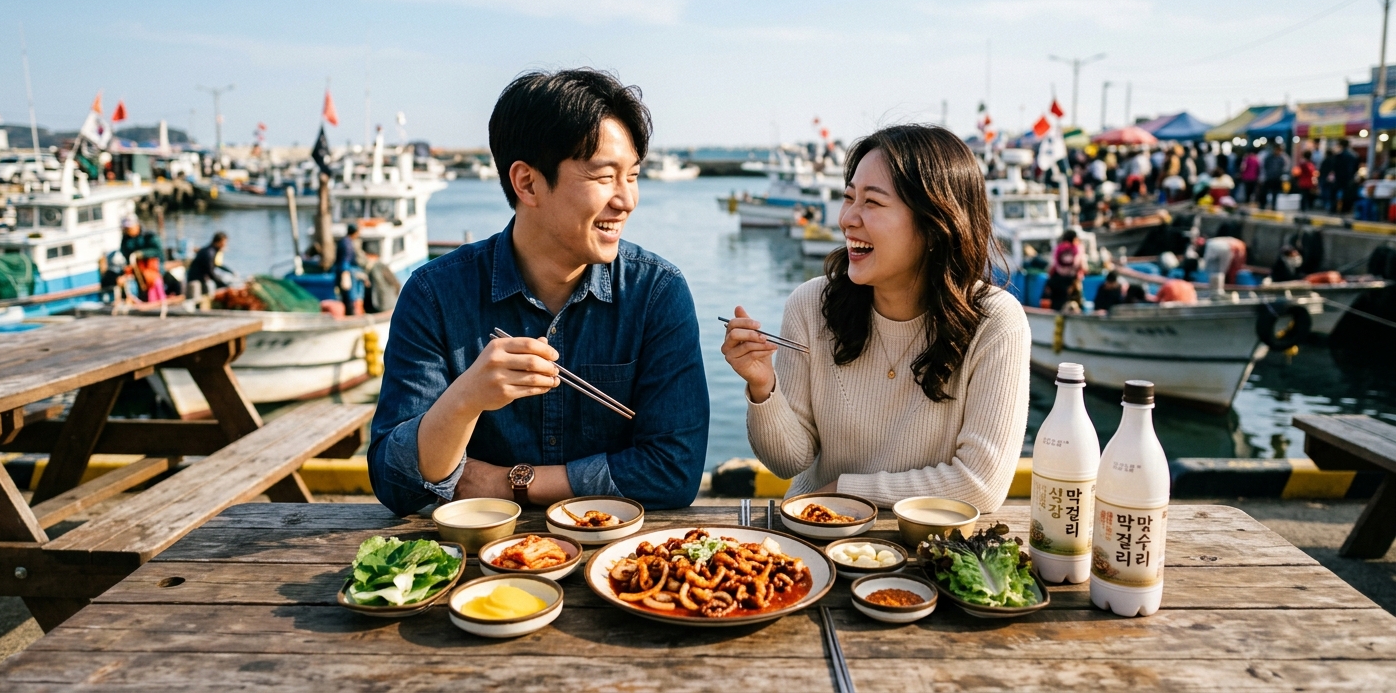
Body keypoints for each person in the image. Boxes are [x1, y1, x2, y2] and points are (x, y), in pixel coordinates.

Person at [368, 68, 709, 516]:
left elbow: (674, 471)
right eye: (605, 177)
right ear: (527, 183)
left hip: (616, 563)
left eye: (633, 175)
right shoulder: (435, 294)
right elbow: (397, 484)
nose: (626, 199)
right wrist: (466, 398)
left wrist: (507, 482)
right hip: (468, 564)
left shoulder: (656, 292)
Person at [721, 124, 1030, 512]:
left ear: (935, 222)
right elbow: (789, 462)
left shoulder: (996, 322)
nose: (847, 218)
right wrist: (763, 387)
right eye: (848, 198)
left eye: (872, 202)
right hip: (813, 536)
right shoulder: (811, 304)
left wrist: (842, 491)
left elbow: (980, 485)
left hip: (923, 549)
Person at [1046, 229, 1083, 311]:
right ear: (1074, 238)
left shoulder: (1058, 248)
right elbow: (1081, 265)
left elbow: (1053, 265)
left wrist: (1049, 282)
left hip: (1057, 280)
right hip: (1072, 282)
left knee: (1056, 306)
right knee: (1073, 305)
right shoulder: (1077, 248)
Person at [334, 224, 367, 315]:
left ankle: (350, 312)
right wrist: (345, 272)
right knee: (350, 295)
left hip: (341, 269)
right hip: (346, 270)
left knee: (345, 294)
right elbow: (345, 259)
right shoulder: (347, 244)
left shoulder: (344, 241)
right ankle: (352, 314)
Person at [1260, 140, 1291, 210]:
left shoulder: (1281, 158)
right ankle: (1263, 205)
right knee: (1265, 192)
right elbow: (1265, 166)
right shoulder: (1269, 157)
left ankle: (1274, 206)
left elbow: (1284, 167)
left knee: (1275, 193)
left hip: (1277, 178)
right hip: (1269, 177)